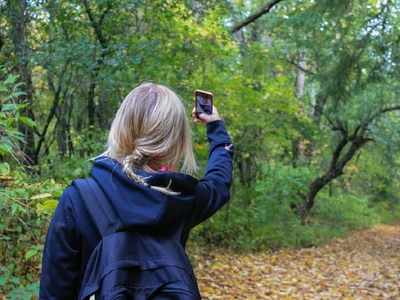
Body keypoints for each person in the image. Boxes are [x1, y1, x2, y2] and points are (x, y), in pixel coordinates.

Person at [39, 82, 233, 299]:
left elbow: (55, 291)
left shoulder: (79, 199)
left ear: (121, 127)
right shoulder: (182, 199)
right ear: (176, 139)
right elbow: (219, 182)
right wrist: (216, 127)